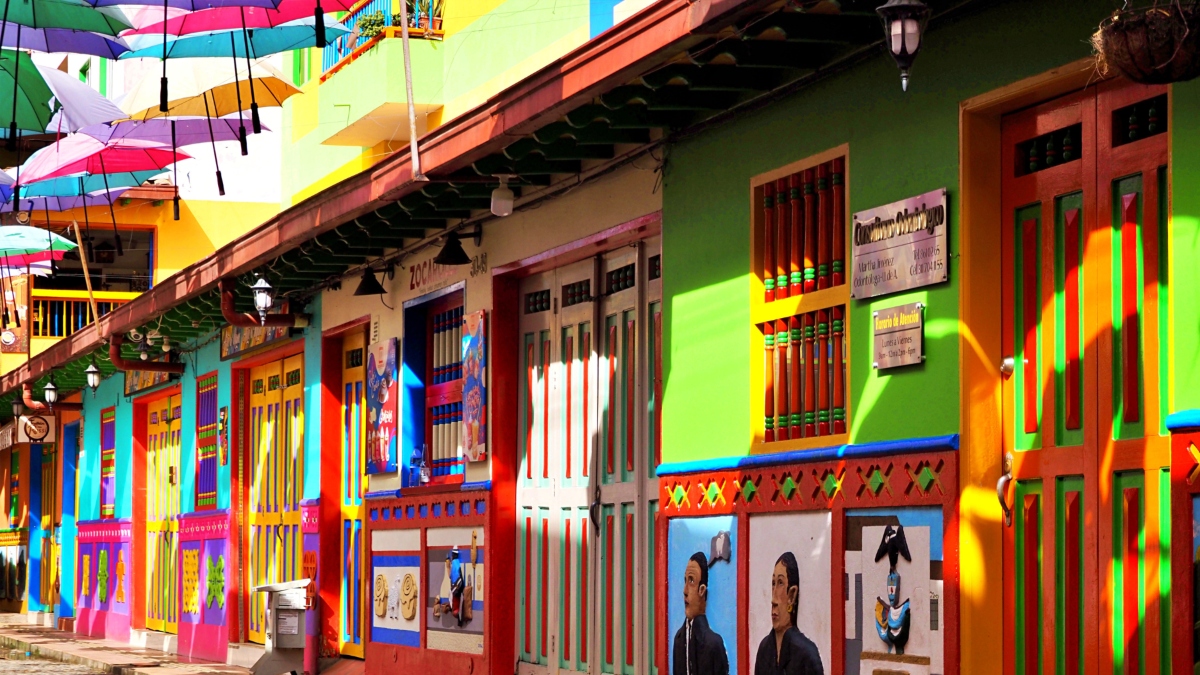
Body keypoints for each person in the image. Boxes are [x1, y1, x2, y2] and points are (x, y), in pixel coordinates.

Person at [754, 552, 824, 675]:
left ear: (792, 595)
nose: (773, 600)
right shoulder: (764, 649)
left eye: (780, 583)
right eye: (773, 584)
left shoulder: (806, 653)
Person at [672, 551, 729, 675]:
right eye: (685, 580)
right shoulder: (679, 639)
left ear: (702, 590)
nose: (685, 590)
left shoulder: (714, 644)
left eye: (691, 581)